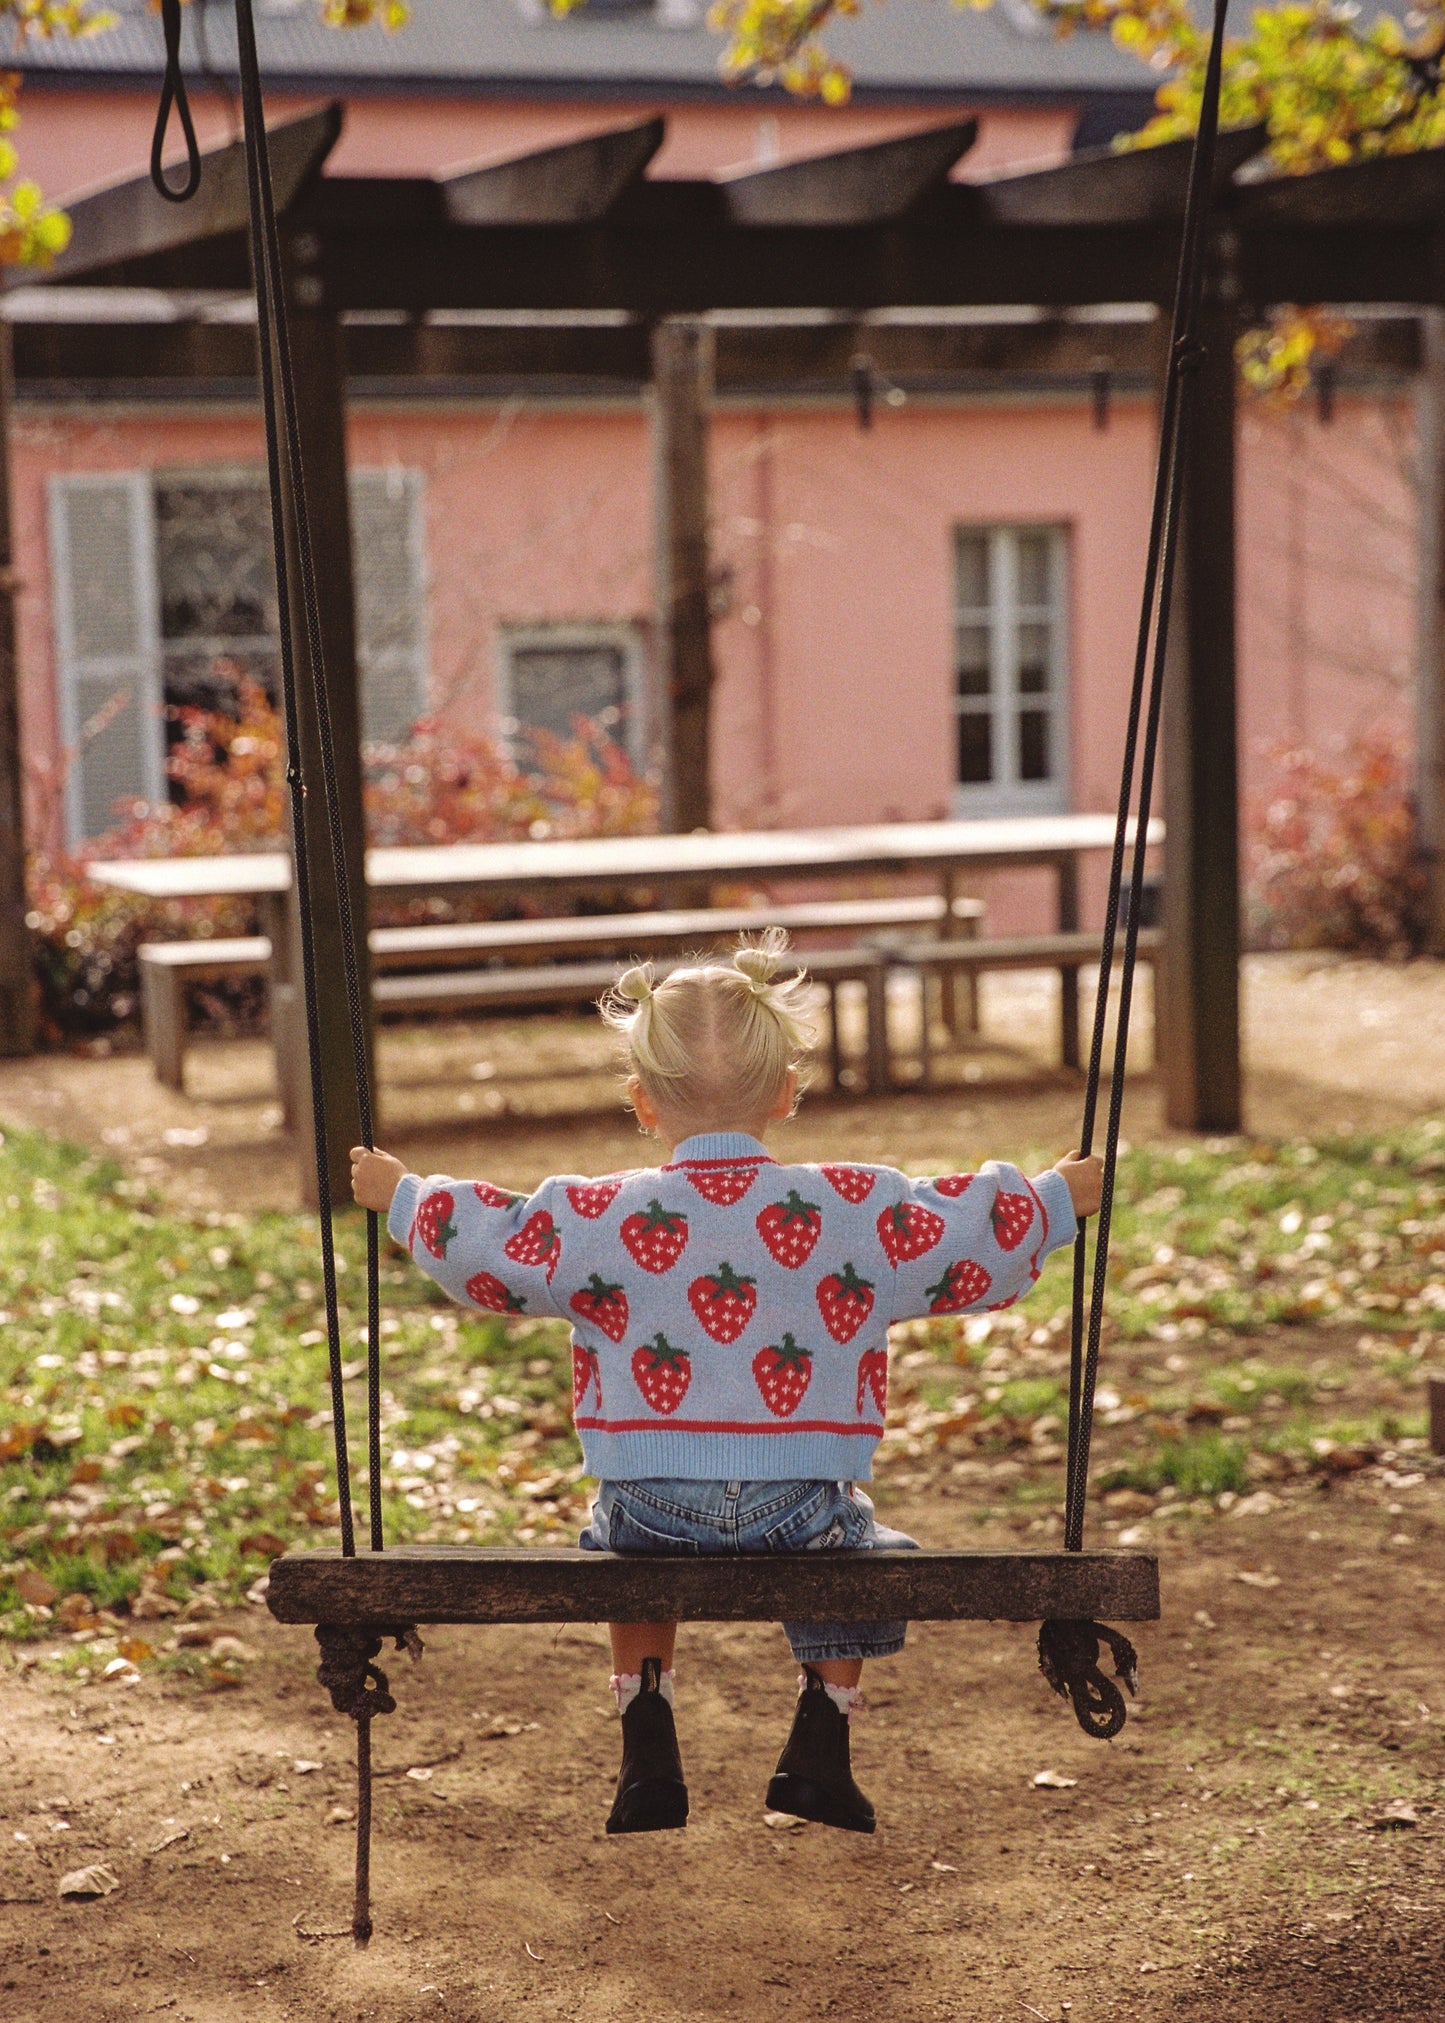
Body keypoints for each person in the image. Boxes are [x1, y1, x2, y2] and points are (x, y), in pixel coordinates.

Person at [351, 930, 1102, 1839]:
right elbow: (961, 1236)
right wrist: (1057, 1197)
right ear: (786, 1092)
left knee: (619, 1551)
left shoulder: (594, 1215)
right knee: (861, 1548)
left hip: (649, 1507)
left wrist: (401, 1194)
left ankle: (646, 1736)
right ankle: (821, 1741)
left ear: (641, 1102)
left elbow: (493, 1244)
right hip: (799, 1505)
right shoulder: (855, 1206)